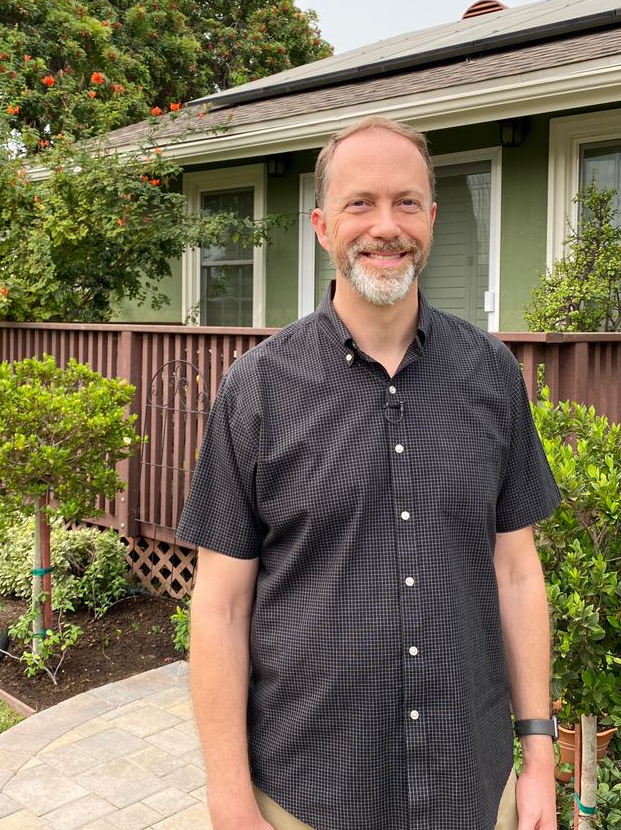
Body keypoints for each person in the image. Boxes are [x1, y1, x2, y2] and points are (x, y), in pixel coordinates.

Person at [178, 116, 561, 830]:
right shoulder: (257, 390)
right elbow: (221, 607)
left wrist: (538, 755)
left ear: (433, 220)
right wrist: (230, 799)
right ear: (323, 225)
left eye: (407, 203)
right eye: (361, 204)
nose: (386, 226)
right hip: (305, 793)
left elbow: (517, 572)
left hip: (469, 787)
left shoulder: (492, 376)